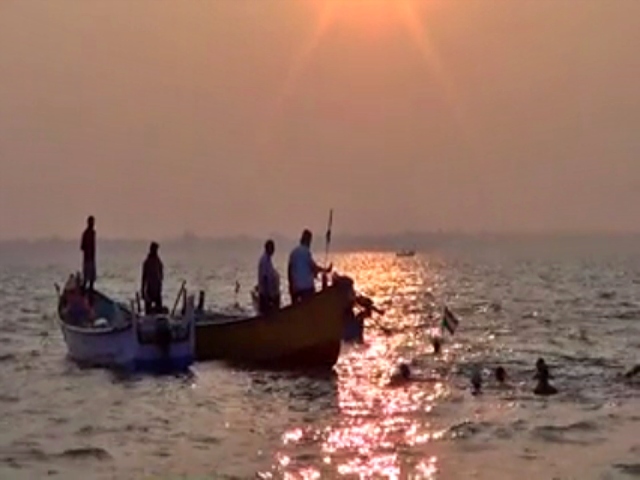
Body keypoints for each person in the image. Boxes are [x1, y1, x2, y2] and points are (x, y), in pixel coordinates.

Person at [287, 229, 332, 303]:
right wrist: (325, 270)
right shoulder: (306, 252)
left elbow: (289, 270)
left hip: (295, 289)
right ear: (308, 241)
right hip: (306, 289)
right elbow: (314, 267)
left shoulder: (293, 253)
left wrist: (291, 286)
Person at [257, 239, 281, 315]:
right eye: (272, 248)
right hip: (265, 295)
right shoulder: (264, 260)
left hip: (268, 294)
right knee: (265, 314)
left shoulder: (268, 260)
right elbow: (265, 278)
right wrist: (268, 296)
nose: (273, 250)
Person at [141, 242, 164, 314]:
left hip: (157, 289)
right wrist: (142, 290)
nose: (156, 251)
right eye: (155, 249)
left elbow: (161, 275)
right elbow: (144, 277)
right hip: (150, 289)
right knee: (148, 311)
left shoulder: (158, 261)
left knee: (159, 310)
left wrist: (160, 285)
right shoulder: (147, 262)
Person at [80, 216, 96, 296]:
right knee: (86, 278)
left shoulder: (93, 233)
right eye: (91, 222)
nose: (93, 224)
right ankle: (83, 293)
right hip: (87, 259)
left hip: (92, 259)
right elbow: (82, 247)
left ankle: (90, 293)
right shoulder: (85, 233)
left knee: (92, 279)